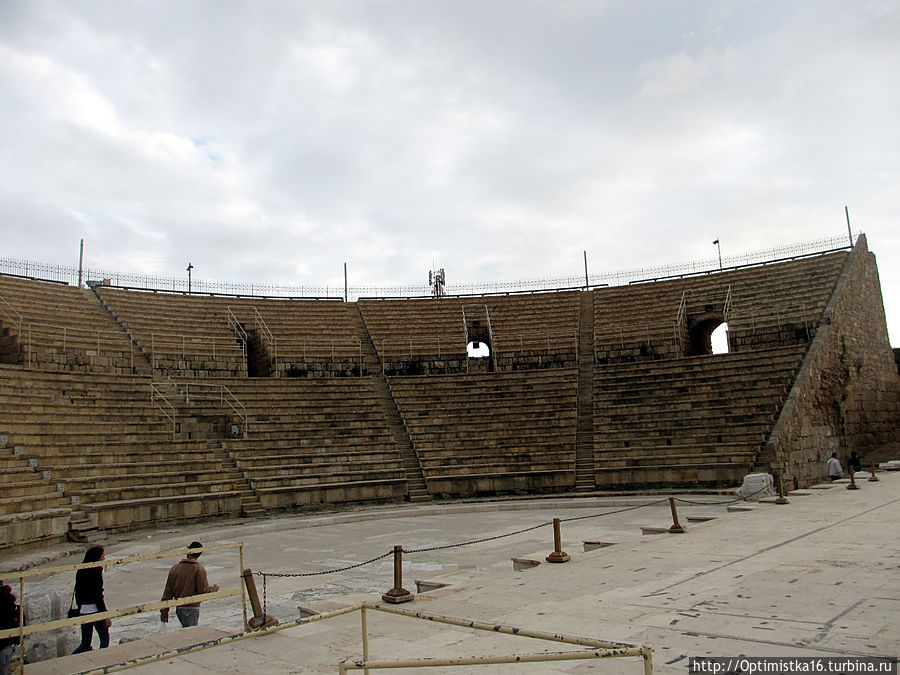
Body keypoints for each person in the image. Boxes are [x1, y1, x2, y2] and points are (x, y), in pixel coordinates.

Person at [160, 542, 219, 628]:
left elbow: (168, 592)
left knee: (186, 631)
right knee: (191, 634)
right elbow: (203, 591)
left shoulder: (175, 568)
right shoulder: (198, 569)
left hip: (179, 608)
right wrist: (214, 589)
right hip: (191, 608)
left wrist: (164, 611)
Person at [72, 546, 110, 654]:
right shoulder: (96, 571)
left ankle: (71, 659)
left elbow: (77, 593)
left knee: (85, 644)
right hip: (95, 610)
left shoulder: (81, 570)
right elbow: (98, 595)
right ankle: (100, 660)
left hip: (84, 610)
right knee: (104, 640)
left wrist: (80, 608)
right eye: (103, 556)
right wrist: (105, 615)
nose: (104, 559)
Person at [0, 584, 20, 675]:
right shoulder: (12, 604)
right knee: (3, 667)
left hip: (4, 644)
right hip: (8, 643)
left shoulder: (6, 604)